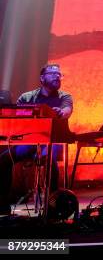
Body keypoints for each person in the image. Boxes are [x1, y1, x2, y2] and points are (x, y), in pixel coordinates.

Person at [0, 64, 73, 215]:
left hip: (53, 141)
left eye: (59, 74)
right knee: (4, 159)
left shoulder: (64, 96)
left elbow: (67, 110)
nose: (57, 76)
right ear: (42, 78)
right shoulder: (27, 97)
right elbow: (17, 115)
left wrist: (61, 112)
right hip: (30, 142)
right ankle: (2, 204)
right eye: (52, 73)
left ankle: (52, 207)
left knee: (48, 159)